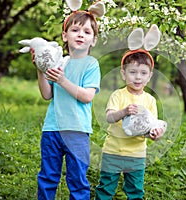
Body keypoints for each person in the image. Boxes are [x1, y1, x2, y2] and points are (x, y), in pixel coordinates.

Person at [35, 9, 101, 199]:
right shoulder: (58, 61)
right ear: (65, 35)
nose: (81, 34)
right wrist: (40, 70)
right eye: (75, 30)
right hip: (52, 128)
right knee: (47, 176)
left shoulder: (91, 64)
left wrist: (63, 81)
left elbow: (87, 96)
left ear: (93, 40)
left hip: (77, 130)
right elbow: (47, 94)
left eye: (87, 32)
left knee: (78, 179)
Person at [95, 49, 164, 199]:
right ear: (123, 74)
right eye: (132, 72)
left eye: (143, 73)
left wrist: (155, 134)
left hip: (136, 154)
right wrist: (124, 112)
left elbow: (152, 126)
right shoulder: (118, 95)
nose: (138, 77)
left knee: (135, 191)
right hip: (113, 151)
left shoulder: (150, 100)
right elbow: (109, 117)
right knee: (105, 188)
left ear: (150, 76)